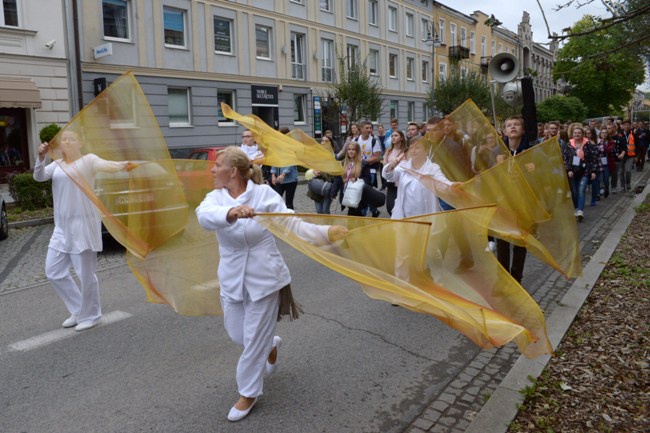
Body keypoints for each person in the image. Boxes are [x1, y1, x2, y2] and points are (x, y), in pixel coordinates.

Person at [196, 147, 346, 422]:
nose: (212, 170)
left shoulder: (264, 195)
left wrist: (326, 233)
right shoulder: (214, 198)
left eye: (218, 165)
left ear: (234, 172)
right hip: (231, 278)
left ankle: (248, 393)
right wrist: (231, 212)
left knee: (252, 341)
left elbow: (291, 223)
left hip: (264, 277)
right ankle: (271, 345)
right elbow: (203, 217)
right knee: (236, 335)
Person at [33, 130, 130, 331]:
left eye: (72, 139)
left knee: (85, 274)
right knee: (54, 272)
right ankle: (78, 309)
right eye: (64, 139)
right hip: (62, 227)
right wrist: (41, 157)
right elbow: (40, 177)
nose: (66, 142)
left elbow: (107, 166)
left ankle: (93, 315)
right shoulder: (57, 164)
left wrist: (124, 165)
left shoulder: (89, 161)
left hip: (84, 225)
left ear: (80, 143)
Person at [493, 116, 532, 284]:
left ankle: (516, 277)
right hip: (502, 202)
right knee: (501, 240)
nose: (512, 127)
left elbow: (536, 177)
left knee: (519, 241)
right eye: (509, 125)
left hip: (522, 203)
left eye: (516, 124)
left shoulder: (530, 151)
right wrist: (496, 166)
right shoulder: (498, 152)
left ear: (522, 129)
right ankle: (503, 278)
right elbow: (489, 178)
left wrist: (530, 169)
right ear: (505, 131)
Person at [562, 124, 598, 221]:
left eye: (579, 133)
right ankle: (576, 208)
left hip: (585, 171)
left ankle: (580, 210)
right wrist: (568, 170)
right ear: (572, 134)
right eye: (575, 133)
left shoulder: (589, 144)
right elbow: (565, 158)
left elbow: (593, 158)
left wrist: (593, 171)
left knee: (581, 189)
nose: (577, 135)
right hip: (573, 171)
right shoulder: (568, 145)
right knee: (574, 191)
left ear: (583, 134)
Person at [332, 141, 372, 216]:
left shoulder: (363, 164)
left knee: (357, 217)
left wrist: (357, 180)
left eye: (353, 149)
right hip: (347, 194)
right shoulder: (343, 163)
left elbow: (368, 180)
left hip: (359, 196)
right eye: (349, 149)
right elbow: (337, 179)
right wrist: (333, 192)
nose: (351, 151)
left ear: (357, 151)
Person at [382, 129, 408, 216]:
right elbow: (385, 166)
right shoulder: (388, 151)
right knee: (390, 207)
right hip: (391, 182)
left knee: (403, 206)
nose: (393, 137)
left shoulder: (406, 151)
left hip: (402, 182)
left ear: (401, 138)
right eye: (392, 136)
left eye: (396, 135)